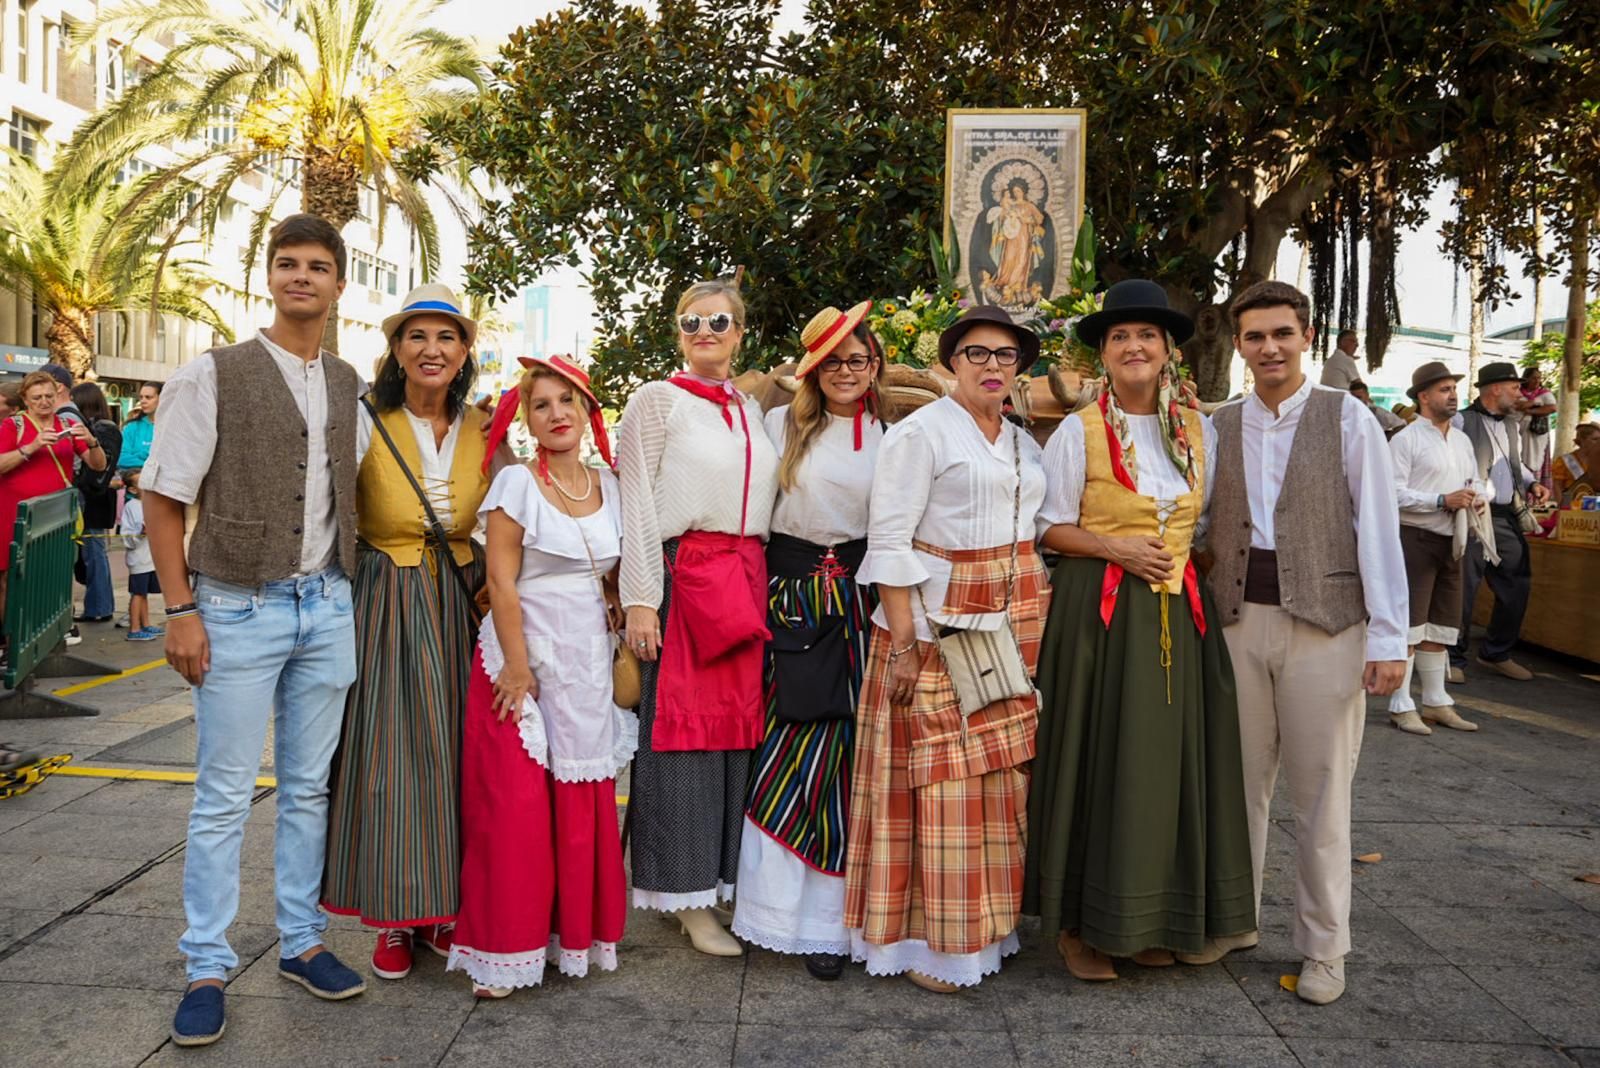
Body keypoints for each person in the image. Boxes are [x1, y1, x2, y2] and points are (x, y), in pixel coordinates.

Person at [143, 214, 368, 1047]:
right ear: (268, 278)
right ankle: (206, 962)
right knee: (223, 795)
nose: (301, 276)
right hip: (234, 605)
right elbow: (164, 497)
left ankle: (301, 942)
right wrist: (179, 608)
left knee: (309, 788)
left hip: (327, 604)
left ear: (339, 284)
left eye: (316, 266)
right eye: (286, 264)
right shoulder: (214, 374)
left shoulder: (348, 383)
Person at [1025, 279, 1255, 981]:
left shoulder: (1198, 430)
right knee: (1097, 758)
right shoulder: (1078, 430)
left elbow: (1209, 523)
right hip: (1098, 611)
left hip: (1177, 617)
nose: (1134, 347)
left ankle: (1147, 918)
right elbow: (1048, 526)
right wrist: (1116, 547)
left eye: (1146, 337)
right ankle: (1078, 926)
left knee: (1163, 765)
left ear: (1167, 351)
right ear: (1104, 353)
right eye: (1119, 337)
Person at [1207, 281, 1407, 1006]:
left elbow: (1379, 532)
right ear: (1239, 346)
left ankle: (1325, 949)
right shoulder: (1216, 425)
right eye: (1255, 337)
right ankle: (1235, 921)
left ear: (1307, 337)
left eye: (1281, 334)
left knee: (1322, 796)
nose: (1269, 348)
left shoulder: (1347, 418)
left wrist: (1389, 639)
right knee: (1238, 787)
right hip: (1237, 622)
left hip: (1327, 625)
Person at [845, 305, 1050, 993]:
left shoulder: (1022, 442)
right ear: (950, 362)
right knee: (940, 791)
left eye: (1006, 355)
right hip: (935, 630)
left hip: (1010, 625)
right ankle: (936, 948)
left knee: (998, 786)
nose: (993, 366)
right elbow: (890, 544)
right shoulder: (921, 434)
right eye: (977, 353)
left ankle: (986, 929)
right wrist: (904, 644)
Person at [321, 284, 502, 979]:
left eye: (447, 337)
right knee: (393, 760)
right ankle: (397, 915)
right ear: (396, 349)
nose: (433, 350)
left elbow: (513, 508)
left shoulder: (487, 426)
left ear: (464, 353)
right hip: (389, 598)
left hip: (466, 598)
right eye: (418, 337)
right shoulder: (366, 418)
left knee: (463, 754)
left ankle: (446, 909)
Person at [448, 355, 636, 997]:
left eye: (567, 402)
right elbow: (499, 578)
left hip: (587, 652)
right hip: (521, 656)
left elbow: (614, 569)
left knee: (581, 802)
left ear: (587, 413)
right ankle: (505, 952)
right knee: (516, 808)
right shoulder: (517, 486)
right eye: (541, 405)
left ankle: (568, 940)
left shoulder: (611, 484)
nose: (555, 414)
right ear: (525, 419)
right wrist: (519, 667)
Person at [617, 278, 780, 956]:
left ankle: (717, 882)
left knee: (733, 738)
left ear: (740, 332)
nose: (704, 330)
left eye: (718, 320)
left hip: (743, 580)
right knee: (680, 738)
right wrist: (640, 600)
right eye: (690, 322)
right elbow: (637, 502)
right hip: (684, 577)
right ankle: (681, 894)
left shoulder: (750, 408)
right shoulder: (657, 401)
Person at [730, 302, 891, 981]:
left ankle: (830, 926)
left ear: (875, 365)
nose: (847, 371)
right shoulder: (777, 424)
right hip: (786, 604)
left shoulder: (895, 437)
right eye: (832, 362)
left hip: (857, 607)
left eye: (859, 360)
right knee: (781, 749)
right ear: (813, 371)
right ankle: (768, 912)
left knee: (842, 761)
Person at [1386, 362, 1487, 736]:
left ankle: (1436, 701)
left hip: (1453, 540)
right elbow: (1391, 494)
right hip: (1415, 539)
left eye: (1453, 388)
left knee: (1442, 624)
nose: (1452, 394)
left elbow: (1478, 481)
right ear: (1423, 397)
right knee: (1410, 624)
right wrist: (1441, 499)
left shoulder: (1461, 440)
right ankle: (1400, 704)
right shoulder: (1405, 439)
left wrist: (1479, 497)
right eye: (1444, 389)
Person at [1449, 362, 1553, 683]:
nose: (1519, 393)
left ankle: (1496, 652)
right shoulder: (1460, 420)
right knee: (1463, 588)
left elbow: (1514, 461)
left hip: (1506, 515)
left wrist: (1532, 481)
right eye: (1514, 387)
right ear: (1495, 388)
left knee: (1516, 583)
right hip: (1473, 514)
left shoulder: (1511, 424)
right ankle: (1452, 657)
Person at [0, 370, 108, 627]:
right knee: (10, 578)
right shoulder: (12, 425)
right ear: (25, 399)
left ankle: (46, 636)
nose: (44, 402)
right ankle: (9, 641)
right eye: (37, 397)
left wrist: (92, 442)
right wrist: (32, 446)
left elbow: (98, 465)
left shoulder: (67, 427)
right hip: (13, 515)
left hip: (54, 517)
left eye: (49, 396)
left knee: (52, 576)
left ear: (58, 395)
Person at [69, 382, 124, 624]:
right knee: (93, 555)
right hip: (95, 499)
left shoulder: (103, 429)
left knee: (94, 554)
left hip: (94, 501)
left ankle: (98, 608)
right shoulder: (99, 427)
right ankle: (99, 606)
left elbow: (99, 469)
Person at [119, 470, 161, 640]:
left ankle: (146, 624)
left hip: (150, 559)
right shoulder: (131, 507)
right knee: (137, 594)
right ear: (132, 490)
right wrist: (141, 533)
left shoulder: (152, 504)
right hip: (139, 559)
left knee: (144, 594)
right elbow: (126, 536)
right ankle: (134, 629)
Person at [1514, 367, 1557, 487]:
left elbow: (1552, 408)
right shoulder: (1517, 391)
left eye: (1539, 378)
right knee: (1519, 457)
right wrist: (1535, 404)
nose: (1537, 380)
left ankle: (1535, 493)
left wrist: (1531, 408)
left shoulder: (1544, 393)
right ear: (1526, 378)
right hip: (1519, 431)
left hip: (1536, 434)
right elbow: (1517, 405)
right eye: (1534, 378)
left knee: (1535, 460)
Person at [118, 381, 163, 473]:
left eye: (148, 397)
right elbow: (121, 459)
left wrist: (139, 455)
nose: (143, 401)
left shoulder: (173, 427)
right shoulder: (131, 427)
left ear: (162, 398)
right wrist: (150, 461)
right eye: (141, 397)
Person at [1553, 423, 1600, 505]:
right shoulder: (1564, 461)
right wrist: (1561, 508)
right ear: (1582, 441)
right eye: (1595, 439)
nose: (1598, 442)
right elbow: (1557, 487)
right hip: (1572, 507)